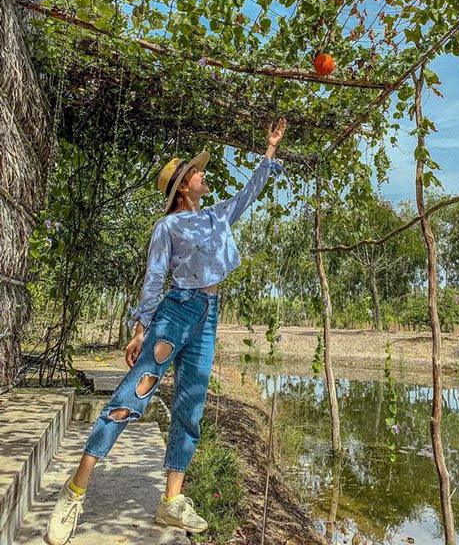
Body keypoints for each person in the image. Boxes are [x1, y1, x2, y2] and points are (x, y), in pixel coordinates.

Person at [45, 118, 287, 545]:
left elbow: (249, 193)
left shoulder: (215, 216)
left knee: (190, 406)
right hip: (175, 313)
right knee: (130, 397)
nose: (204, 173)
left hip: (208, 315)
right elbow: (155, 278)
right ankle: (75, 490)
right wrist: (139, 328)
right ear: (182, 187)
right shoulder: (167, 227)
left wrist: (269, 150)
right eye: (197, 171)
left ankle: (171, 501)